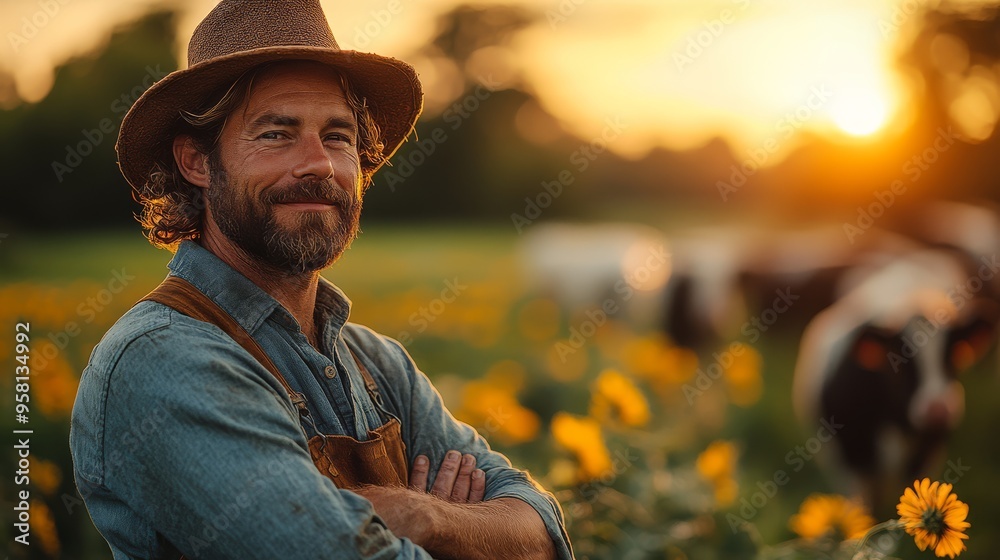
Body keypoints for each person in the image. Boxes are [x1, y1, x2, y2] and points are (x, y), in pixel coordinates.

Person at [68, 1, 573, 558]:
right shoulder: (163, 360)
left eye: (338, 136)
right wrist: (471, 531)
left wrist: (422, 515)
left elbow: (544, 531)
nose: (320, 164)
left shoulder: (380, 365)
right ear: (197, 162)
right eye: (276, 134)